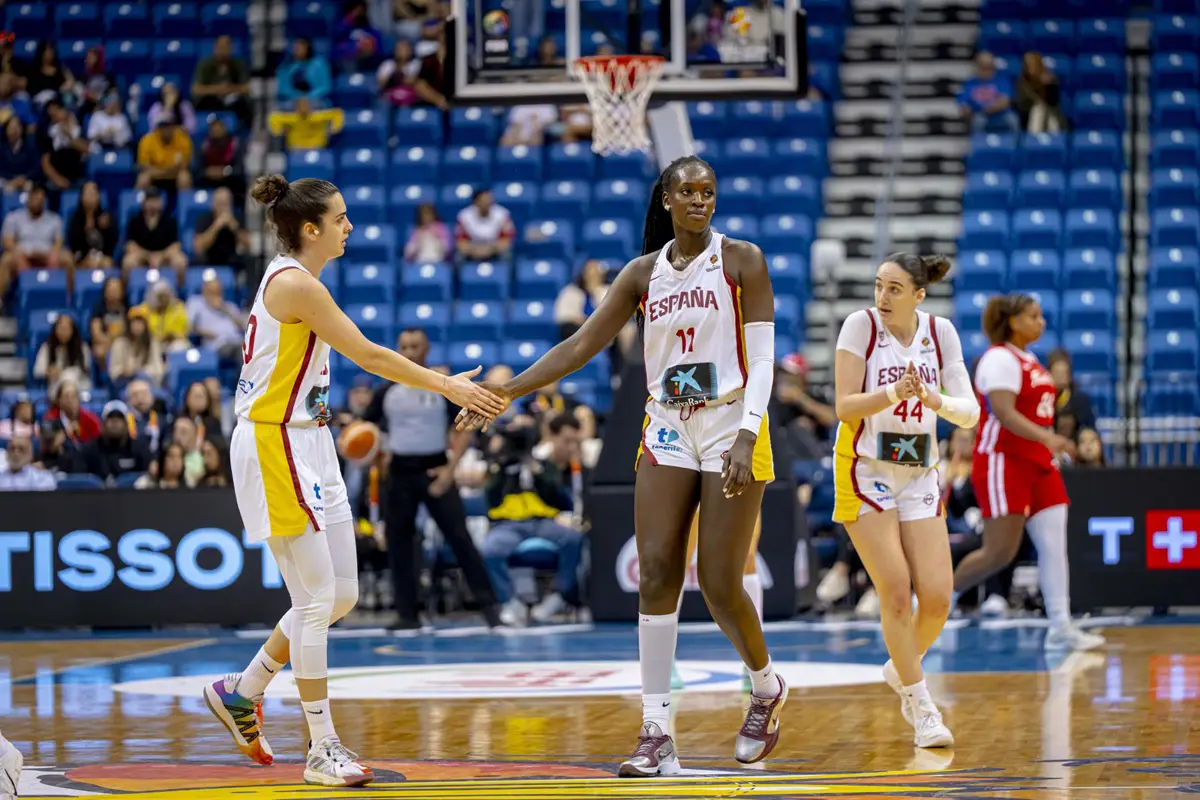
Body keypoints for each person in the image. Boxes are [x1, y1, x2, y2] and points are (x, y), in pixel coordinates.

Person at [458, 156, 787, 775]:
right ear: (666, 198)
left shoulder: (743, 259)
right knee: (658, 571)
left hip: (732, 422)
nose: (700, 199)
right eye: (688, 190)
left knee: (719, 583)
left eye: (709, 191)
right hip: (666, 423)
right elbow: (581, 345)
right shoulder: (642, 274)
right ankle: (656, 729)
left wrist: (747, 435)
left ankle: (766, 689)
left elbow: (765, 360)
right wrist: (508, 392)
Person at [202, 174, 504, 788]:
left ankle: (243, 689)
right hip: (274, 439)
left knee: (341, 597)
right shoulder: (293, 283)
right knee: (316, 602)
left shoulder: (302, 280)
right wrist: (447, 384)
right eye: (339, 218)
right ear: (309, 229)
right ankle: (322, 749)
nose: (349, 227)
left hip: (310, 440)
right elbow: (368, 354)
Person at [831, 253, 980, 748]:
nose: (882, 297)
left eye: (895, 289)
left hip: (919, 471)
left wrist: (936, 401)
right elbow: (845, 406)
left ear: (919, 295)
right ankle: (922, 708)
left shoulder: (941, 334)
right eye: (878, 286)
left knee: (937, 597)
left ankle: (901, 668)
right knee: (896, 591)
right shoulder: (861, 327)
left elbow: (970, 413)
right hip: (865, 468)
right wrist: (893, 391)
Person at [952, 294, 1105, 652]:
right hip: (1003, 460)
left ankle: (1060, 626)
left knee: (1054, 547)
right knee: (999, 552)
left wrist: (1046, 443)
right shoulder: (999, 358)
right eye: (1034, 316)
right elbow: (1003, 413)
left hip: (1038, 464)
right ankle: (935, 601)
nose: (1042, 322)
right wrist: (1049, 437)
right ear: (1013, 321)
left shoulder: (1030, 358)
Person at [361, 327, 504, 633]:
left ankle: (491, 609)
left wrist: (451, 470)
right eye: (404, 346)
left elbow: (465, 425)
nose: (409, 352)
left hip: (435, 469)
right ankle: (407, 614)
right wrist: (377, 455)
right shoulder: (387, 390)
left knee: (460, 538)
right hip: (399, 471)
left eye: (415, 347)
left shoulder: (442, 387)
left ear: (426, 351)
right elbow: (366, 430)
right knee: (399, 544)